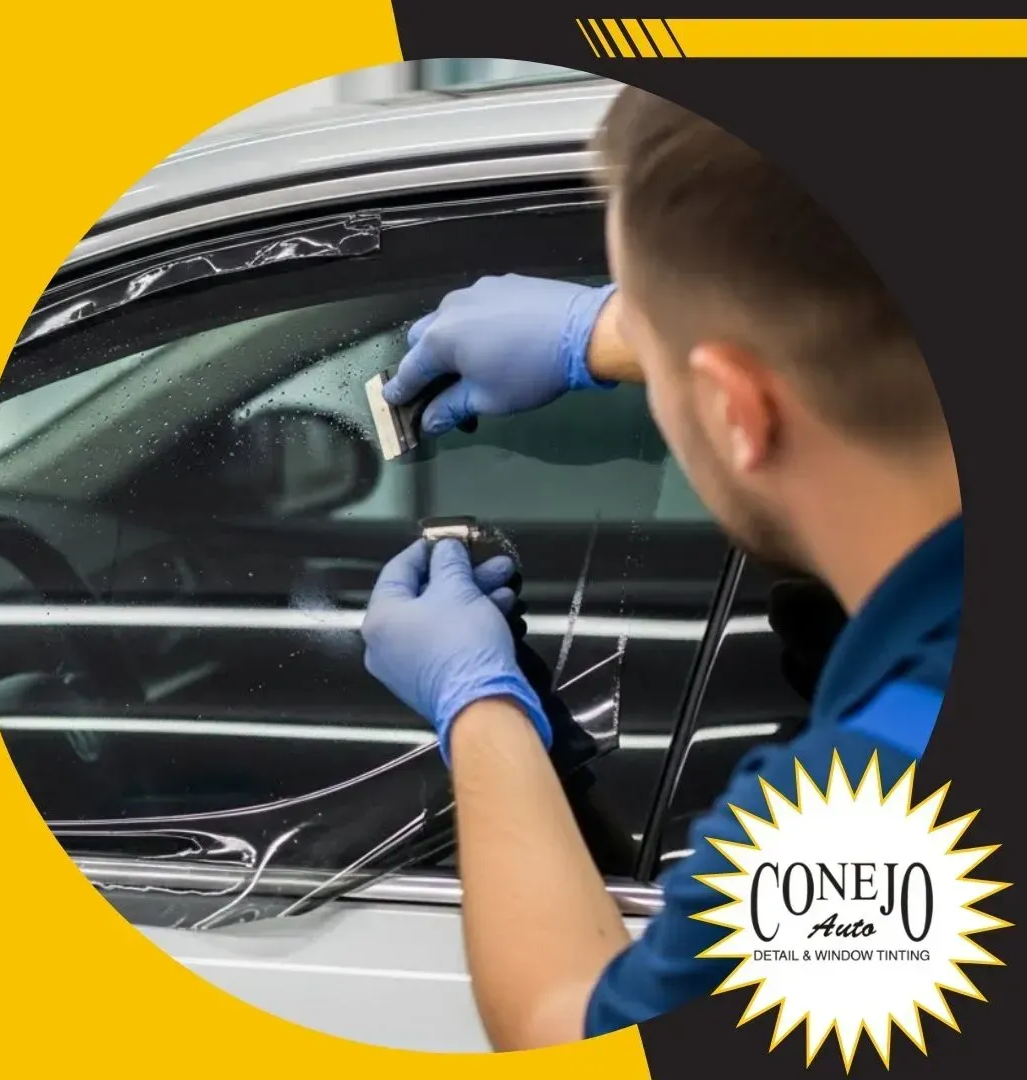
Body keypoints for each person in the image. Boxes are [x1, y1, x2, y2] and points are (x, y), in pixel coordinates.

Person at [359, 88, 962, 1049]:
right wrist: (618, 331)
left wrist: (475, 699)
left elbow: (568, 1030)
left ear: (736, 410)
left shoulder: (881, 804)